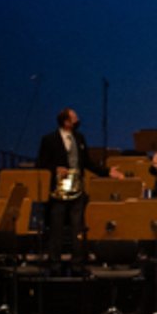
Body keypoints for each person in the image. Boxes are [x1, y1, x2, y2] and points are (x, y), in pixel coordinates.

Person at [36, 107, 122, 268]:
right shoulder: (49, 139)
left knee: (78, 226)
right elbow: (40, 163)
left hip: (77, 189)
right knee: (57, 225)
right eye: (74, 117)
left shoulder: (79, 138)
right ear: (66, 122)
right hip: (58, 190)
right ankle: (54, 260)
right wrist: (55, 168)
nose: (77, 120)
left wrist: (107, 172)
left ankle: (78, 261)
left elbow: (87, 162)